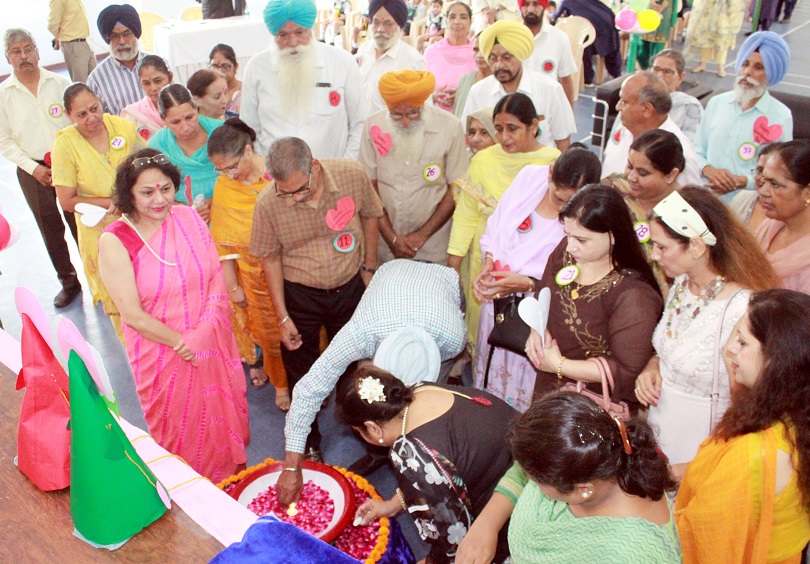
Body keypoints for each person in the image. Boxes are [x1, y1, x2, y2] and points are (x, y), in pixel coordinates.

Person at [98, 148, 250, 483]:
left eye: (166, 189)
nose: (159, 200)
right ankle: (196, 504)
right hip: (162, 355)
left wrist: (204, 333)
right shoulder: (116, 241)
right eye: (147, 192)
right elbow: (133, 315)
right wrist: (182, 343)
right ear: (129, 193)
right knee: (182, 433)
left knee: (220, 426)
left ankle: (231, 487)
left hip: (208, 343)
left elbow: (213, 276)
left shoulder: (187, 218)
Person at [276, 259, 467, 504]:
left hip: (443, 281)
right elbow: (309, 389)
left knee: (426, 410)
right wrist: (292, 466)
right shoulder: (362, 334)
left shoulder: (452, 341)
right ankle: (382, 448)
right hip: (391, 273)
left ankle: (410, 457)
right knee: (374, 402)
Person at [249, 137, 384, 454]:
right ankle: (308, 440)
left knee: (353, 364)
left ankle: (361, 429)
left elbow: (371, 214)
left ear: (315, 167)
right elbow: (269, 258)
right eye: (285, 191)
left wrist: (370, 268)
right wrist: (283, 317)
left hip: (350, 285)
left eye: (300, 189)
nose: (294, 199)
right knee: (301, 370)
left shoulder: (351, 174)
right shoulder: (269, 203)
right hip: (300, 294)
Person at [635, 188, 780, 466]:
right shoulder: (681, 284)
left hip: (705, 442)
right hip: (662, 427)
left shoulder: (741, 307)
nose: (654, 256)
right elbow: (674, 345)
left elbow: (753, 397)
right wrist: (653, 365)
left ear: (696, 247)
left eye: (662, 247)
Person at [456, 392, 682, 564]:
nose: (527, 476)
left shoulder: (633, 554)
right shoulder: (584, 460)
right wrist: (486, 525)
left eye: (535, 478)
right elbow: (522, 470)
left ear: (582, 490)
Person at [675, 289, 810, 562]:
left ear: (775, 361)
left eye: (743, 342)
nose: (730, 349)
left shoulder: (754, 453)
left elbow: (704, 543)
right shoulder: (795, 413)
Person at [338, 366, 517, 562]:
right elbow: (437, 477)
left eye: (359, 432)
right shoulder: (419, 390)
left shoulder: (410, 454)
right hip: (524, 460)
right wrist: (392, 505)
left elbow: (455, 537)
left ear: (372, 428)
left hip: (509, 506)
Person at [473, 148, 602, 412]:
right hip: (497, 303)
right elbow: (495, 227)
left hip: (538, 319)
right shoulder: (529, 178)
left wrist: (529, 284)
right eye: (558, 196)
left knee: (522, 397)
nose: (562, 208)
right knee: (487, 381)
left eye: (571, 203)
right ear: (551, 172)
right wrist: (488, 262)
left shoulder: (589, 221)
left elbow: (577, 277)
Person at [525, 184, 663, 407]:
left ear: (614, 236)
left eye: (581, 240)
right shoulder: (566, 254)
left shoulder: (633, 295)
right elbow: (544, 291)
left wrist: (559, 365)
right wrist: (537, 331)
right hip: (550, 387)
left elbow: (627, 369)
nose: (570, 246)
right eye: (568, 235)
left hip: (592, 404)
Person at [448, 93, 561, 347]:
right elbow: (466, 215)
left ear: (533, 126)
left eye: (513, 129)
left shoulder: (553, 163)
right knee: (485, 325)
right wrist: (453, 264)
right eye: (498, 129)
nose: (504, 137)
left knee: (524, 332)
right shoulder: (484, 160)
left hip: (537, 263)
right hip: (487, 257)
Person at [52, 83, 145, 340]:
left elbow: (147, 162)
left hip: (139, 224)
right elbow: (67, 201)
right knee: (120, 306)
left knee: (150, 294)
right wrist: (111, 202)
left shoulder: (122, 128)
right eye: (81, 114)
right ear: (69, 115)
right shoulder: (66, 145)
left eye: (95, 109)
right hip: (101, 234)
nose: (92, 118)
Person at [208, 118, 290, 408]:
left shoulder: (277, 173)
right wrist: (233, 288)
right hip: (253, 278)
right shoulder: (224, 188)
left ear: (247, 151)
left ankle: (310, 378)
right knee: (269, 335)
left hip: (292, 267)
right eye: (220, 169)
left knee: (305, 327)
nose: (227, 175)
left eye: (231, 166)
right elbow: (223, 244)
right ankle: (281, 385)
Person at [0, 29, 82, 308]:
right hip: (31, 169)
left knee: (80, 222)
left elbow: (76, 124)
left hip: (69, 165)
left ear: (37, 50)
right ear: (7, 58)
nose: (24, 56)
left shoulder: (59, 84)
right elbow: (4, 140)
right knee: (50, 229)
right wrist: (32, 168)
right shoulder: (3, 95)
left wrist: (69, 163)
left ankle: (98, 276)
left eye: (28, 49)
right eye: (16, 52)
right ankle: (69, 282)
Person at [359, 70, 468, 265]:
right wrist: (392, 238)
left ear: (423, 105)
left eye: (412, 113)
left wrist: (422, 235)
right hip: (385, 246)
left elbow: (457, 188)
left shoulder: (450, 126)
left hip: (433, 247)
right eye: (396, 114)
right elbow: (369, 186)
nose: (406, 121)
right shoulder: (373, 125)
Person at [240, 0, 365, 159]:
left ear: (311, 30)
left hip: (331, 173)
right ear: (273, 36)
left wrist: (344, 167)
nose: (293, 42)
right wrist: (266, 170)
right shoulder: (256, 67)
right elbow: (249, 129)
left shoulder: (342, 62)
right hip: (275, 177)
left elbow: (359, 123)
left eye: (299, 32)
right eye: (283, 35)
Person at [695, 31, 792, 201]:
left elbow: (782, 173)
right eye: (745, 64)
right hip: (706, 198)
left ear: (771, 74)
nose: (747, 72)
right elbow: (696, 151)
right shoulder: (716, 103)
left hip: (751, 204)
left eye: (758, 67)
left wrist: (743, 181)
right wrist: (708, 170)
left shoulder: (781, 115)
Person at [462, 20, 576, 151]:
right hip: (492, 169)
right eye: (493, 58)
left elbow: (563, 142)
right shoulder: (478, 92)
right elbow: (467, 138)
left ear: (521, 56)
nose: (499, 65)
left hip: (540, 168)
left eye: (506, 57)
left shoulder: (550, 90)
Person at [606, 129, 687, 294]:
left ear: (671, 175)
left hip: (654, 298)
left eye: (643, 173)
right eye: (630, 166)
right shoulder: (614, 188)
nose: (631, 177)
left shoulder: (686, 213)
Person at [602, 72, 701, 186]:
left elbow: (688, 199)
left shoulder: (679, 152)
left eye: (624, 102)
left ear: (647, 109)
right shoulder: (624, 126)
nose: (618, 107)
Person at [148, 84, 222, 220]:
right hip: (179, 218)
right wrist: (180, 209)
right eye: (175, 122)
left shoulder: (221, 132)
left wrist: (215, 202)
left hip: (225, 210)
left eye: (189, 117)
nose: (186, 127)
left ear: (196, 108)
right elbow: (152, 190)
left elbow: (241, 175)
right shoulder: (158, 146)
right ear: (163, 120)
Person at [755, 140, 810, 293]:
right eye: (764, 180)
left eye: (775, 184)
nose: (763, 191)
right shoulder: (768, 227)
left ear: (807, 192)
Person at [357, 0, 426, 114]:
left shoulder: (413, 61)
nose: (380, 29)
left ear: (400, 26)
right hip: (359, 128)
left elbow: (422, 112)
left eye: (388, 24)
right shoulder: (364, 50)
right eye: (376, 22)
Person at [86, 4, 145, 116]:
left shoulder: (158, 65)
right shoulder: (96, 79)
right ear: (108, 38)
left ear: (135, 34)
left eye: (126, 34)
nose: (122, 41)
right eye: (115, 36)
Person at [552, 0, 623, 87]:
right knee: (585, 43)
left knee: (582, 45)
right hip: (609, 30)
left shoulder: (567, 1)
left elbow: (554, 17)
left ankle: (587, 78)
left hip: (595, 33)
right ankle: (615, 73)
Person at [520, 0, 577, 106]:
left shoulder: (559, 38)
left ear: (544, 6)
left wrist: (569, 117)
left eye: (536, 4)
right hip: (514, 109)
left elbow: (566, 80)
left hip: (548, 107)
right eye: (526, 4)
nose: (531, 9)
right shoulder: (510, 37)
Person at [423, 2, 478, 113]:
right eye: (452, 17)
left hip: (470, 116)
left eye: (463, 17)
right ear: (446, 21)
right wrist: (433, 97)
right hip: (435, 115)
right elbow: (419, 89)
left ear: (471, 22)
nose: (457, 21)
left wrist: (462, 95)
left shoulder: (478, 53)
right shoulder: (432, 52)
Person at [648, 50, 703, 141]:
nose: (659, 76)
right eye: (656, 69)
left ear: (680, 77)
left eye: (667, 72)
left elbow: (689, 144)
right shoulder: (637, 97)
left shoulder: (688, 106)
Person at [685, 0, 745, 77]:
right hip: (707, 9)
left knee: (722, 39)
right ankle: (702, 63)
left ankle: (720, 66)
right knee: (705, 37)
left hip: (724, 10)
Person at [120, 55, 173, 142]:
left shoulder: (184, 106)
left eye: (158, 81)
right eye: (146, 83)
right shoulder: (133, 116)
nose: (153, 88)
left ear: (170, 77)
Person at [729, 143, 779, 231]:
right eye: (760, 170)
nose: (763, 179)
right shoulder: (741, 198)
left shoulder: (791, 213)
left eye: (771, 173)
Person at [47, 0, 95, 83]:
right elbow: (52, 24)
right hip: (73, 45)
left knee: (95, 80)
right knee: (81, 84)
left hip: (84, 42)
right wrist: (59, 36)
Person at [453, 33, 492, 120]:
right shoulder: (465, 80)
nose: (479, 55)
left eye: (484, 49)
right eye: (475, 49)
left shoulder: (501, 83)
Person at [209, 44, 242, 117]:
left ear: (236, 67)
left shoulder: (245, 90)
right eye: (215, 66)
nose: (220, 71)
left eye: (225, 66)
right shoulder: (206, 93)